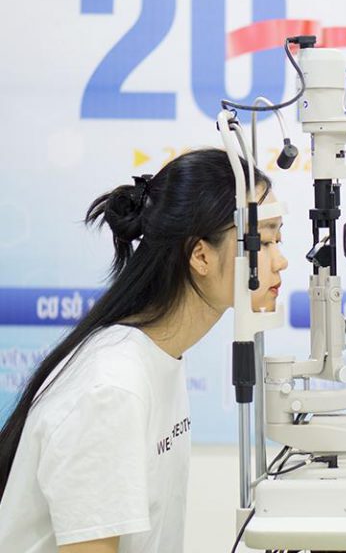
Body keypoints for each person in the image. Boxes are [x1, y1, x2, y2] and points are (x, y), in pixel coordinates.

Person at [0, 148, 288, 553]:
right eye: (266, 240)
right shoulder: (113, 389)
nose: (282, 260)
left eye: (278, 239)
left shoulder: (157, 357)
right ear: (200, 255)